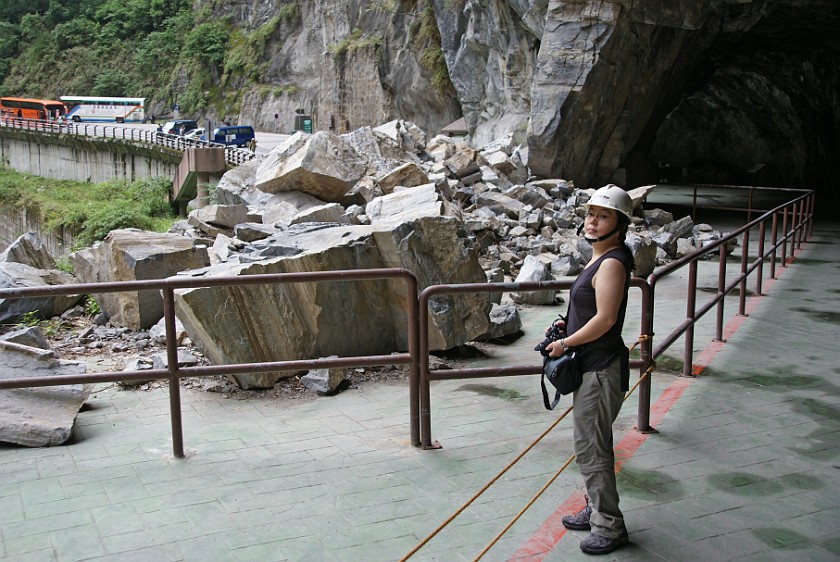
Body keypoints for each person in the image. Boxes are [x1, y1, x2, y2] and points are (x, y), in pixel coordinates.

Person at [545, 184, 635, 555]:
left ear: (619, 224)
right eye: (590, 214)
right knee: (591, 443)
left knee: (591, 447)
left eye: (603, 216)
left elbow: (606, 319)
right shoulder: (601, 257)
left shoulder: (612, 261)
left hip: (599, 369)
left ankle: (609, 526)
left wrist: (566, 343)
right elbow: (590, 312)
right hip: (593, 365)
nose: (593, 221)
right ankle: (594, 506)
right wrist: (569, 326)